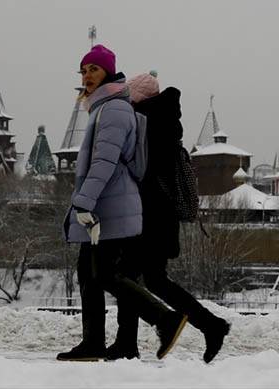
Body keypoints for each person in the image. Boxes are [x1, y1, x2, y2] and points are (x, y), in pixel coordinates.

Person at [57, 45, 188, 362]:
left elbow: (104, 161)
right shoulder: (103, 107)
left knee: (105, 275)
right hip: (106, 204)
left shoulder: (114, 109)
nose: (87, 76)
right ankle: (95, 343)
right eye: (84, 70)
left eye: (94, 69)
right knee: (89, 273)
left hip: (110, 206)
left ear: (108, 72)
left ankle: (165, 320)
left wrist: (83, 200)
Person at [106, 71, 232, 364]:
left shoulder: (148, 125)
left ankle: (128, 343)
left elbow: (143, 174)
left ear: (137, 98)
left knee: (127, 277)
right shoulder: (164, 122)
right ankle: (211, 326)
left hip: (148, 216)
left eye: (128, 97)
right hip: (157, 218)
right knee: (151, 280)